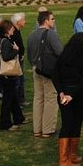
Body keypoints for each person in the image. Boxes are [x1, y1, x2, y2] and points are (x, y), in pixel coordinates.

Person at [52, 32, 83, 166]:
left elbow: (55, 76)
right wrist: (72, 95)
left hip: (64, 93)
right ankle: (66, 158)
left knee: (67, 123)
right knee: (76, 123)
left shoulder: (63, 57)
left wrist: (61, 92)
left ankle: (69, 156)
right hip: (79, 95)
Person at [27, 10, 63, 138]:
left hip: (36, 69)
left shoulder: (31, 35)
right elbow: (60, 52)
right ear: (46, 20)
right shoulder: (51, 34)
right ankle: (48, 129)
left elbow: (29, 54)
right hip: (48, 71)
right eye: (52, 19)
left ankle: (37, 129)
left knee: (38, 98)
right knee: (51, 98)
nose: (53, 21)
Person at [0, 19, 25, 131]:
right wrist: (16, 51)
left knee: (12, 97)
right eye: (12, 28)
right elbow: (7, 57)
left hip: (2, 74)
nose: (13, 30)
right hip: (7, 75)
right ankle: (5, 123)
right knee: (8, 100)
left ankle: (19, 118)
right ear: (7, 30)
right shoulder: (6, 42)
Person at [10, 13, 28, 107]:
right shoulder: (13, 31)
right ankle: (17, 102)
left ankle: (21, 100)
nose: (25, 21)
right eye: (23, 19)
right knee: (17, 81)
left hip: (19, 58)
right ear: (18, 21)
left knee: (21, 80)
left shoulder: (17, 30)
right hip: (16, 59)